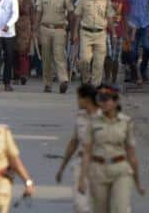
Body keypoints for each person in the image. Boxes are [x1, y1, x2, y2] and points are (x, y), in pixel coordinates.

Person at [79, 85, 145, 213]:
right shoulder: (92, 122)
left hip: (120, 169)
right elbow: (87, 152)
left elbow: (131, 153)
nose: (102, 102)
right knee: (100, 210)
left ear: (115, 101)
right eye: (100, 99)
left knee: (121, 208)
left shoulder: (126, 122)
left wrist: (137, 182)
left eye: (106, 99)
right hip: (98, 169)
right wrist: (82, 178)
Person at [56, 84, 100, 213]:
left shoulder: (104, 117)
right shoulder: (81, 116)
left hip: (100, 164)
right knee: (80, 206)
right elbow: (74, 142)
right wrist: (62, 167)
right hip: (81, 163)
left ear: (86, 99)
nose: (77, 101)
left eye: (78, 98)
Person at [73, 0, 114, 86]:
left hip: (101, 34)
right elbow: (77, 16)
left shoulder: (106, 0)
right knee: (84, 60)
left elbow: (110, 18)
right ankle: (86, 79)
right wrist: (75, 33)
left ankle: (95, 86)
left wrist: (113, 33)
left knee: (99, 63)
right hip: (85, 33)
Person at [36, 0, 73, 93]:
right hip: (45, 28)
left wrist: (72, 30)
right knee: (46, 57)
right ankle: (47, 83)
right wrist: (35, 29)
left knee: (59, 55)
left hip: (59, 29)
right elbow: (38, 12)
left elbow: (71, 12)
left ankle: (63, 80)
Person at [12, 0, 34, 86]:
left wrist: (34, 28)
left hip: (25, 28)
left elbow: (32, 14)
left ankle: (24, 74)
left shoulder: (29, 0)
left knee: (24, 52)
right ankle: (16, 75)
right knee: (14, 52)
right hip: (12, 26)